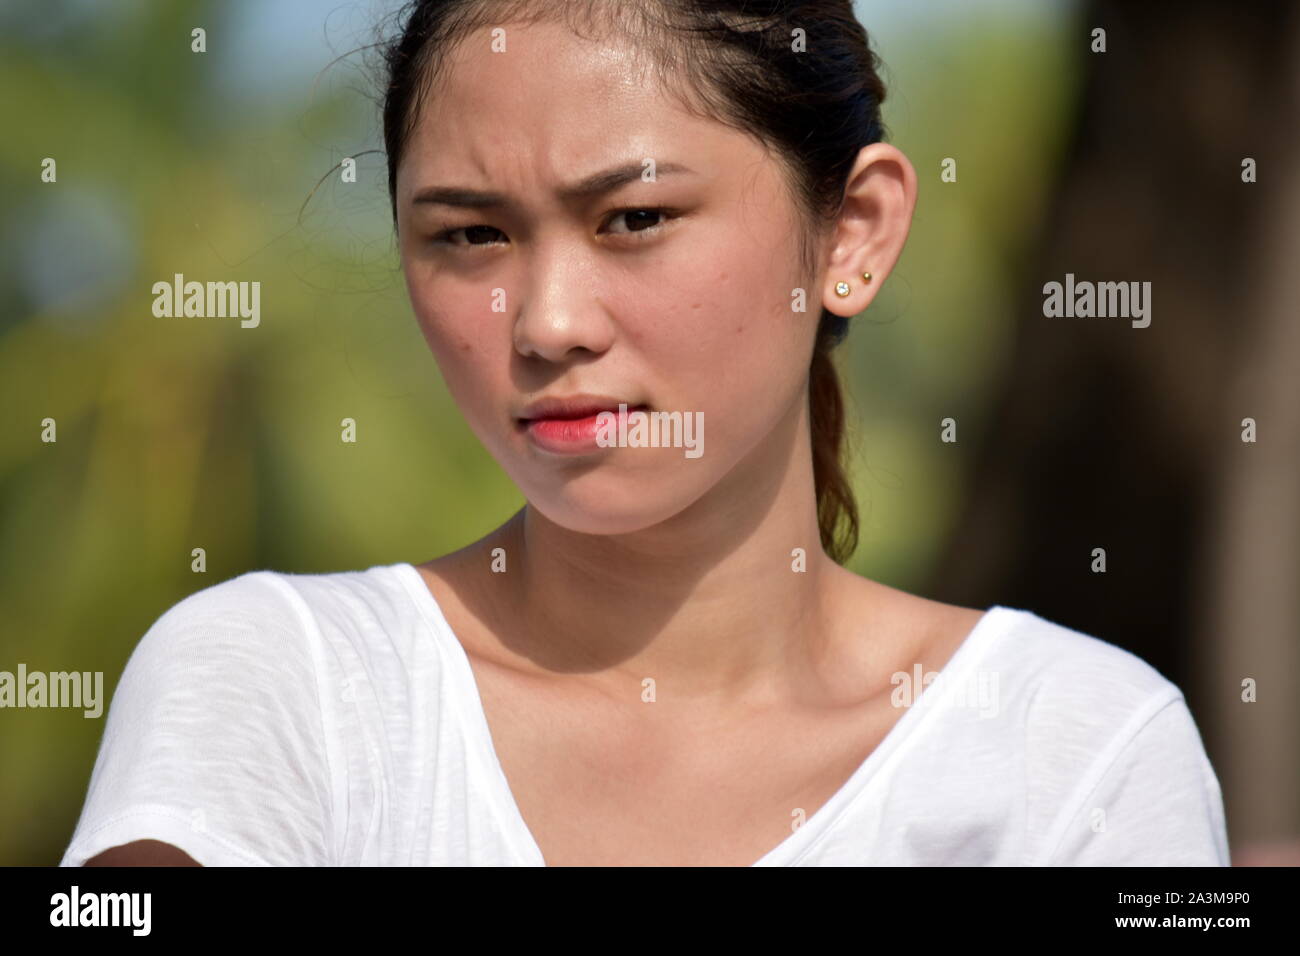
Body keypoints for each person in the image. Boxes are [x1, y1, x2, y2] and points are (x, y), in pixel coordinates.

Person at [61, 0, 1229, 867]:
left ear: (853, 233)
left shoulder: (1076, 750)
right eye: (469, 236)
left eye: (635, 217)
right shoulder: (286, 685)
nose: (548, 323)